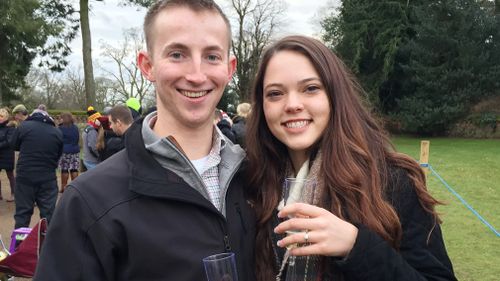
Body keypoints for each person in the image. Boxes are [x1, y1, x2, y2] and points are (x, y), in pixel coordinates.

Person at [34, 1, 255, 280]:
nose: (197, 75)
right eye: (177, 54)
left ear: (229, 67)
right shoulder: (89, 200)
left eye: (212, 56)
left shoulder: (255, 177)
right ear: (147, 65)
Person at [246, 35, 457, 281]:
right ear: (262, 106)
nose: (292, 104)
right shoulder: (253, 185)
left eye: (311, 88)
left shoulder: (391, 182)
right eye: (275, 93)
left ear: (335, 96)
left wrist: (356, 247)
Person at [11, 108, 62, 228]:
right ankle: (49, 244)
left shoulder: (23, 127)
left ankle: (19, 244)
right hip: (47, 177)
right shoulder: (57, 132)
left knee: (22, 213)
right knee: (48, 213)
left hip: (25, 175)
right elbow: (58, 154)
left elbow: (13, 144)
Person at [58, 112, 80, 193]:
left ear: (63, 118)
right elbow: (77, 139)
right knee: (74, 169)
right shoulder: (75, 128)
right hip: (75, 150)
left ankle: (63, 186)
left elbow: (59, 141)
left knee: (64, 169)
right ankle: (76, 187)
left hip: (64, 151)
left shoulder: (60, 128)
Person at [0, 107, 16, 202]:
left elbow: (9, 141)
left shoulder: (10, 128)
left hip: (7, 155)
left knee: (10, 175)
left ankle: (13, 194)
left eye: (1, 116)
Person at [81, 106, 101, 170]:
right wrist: (100, 156)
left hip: (88, 159)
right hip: (92, 161)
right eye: (99, 119)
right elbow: (93, 147)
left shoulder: (87, 128)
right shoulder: (92, 130)